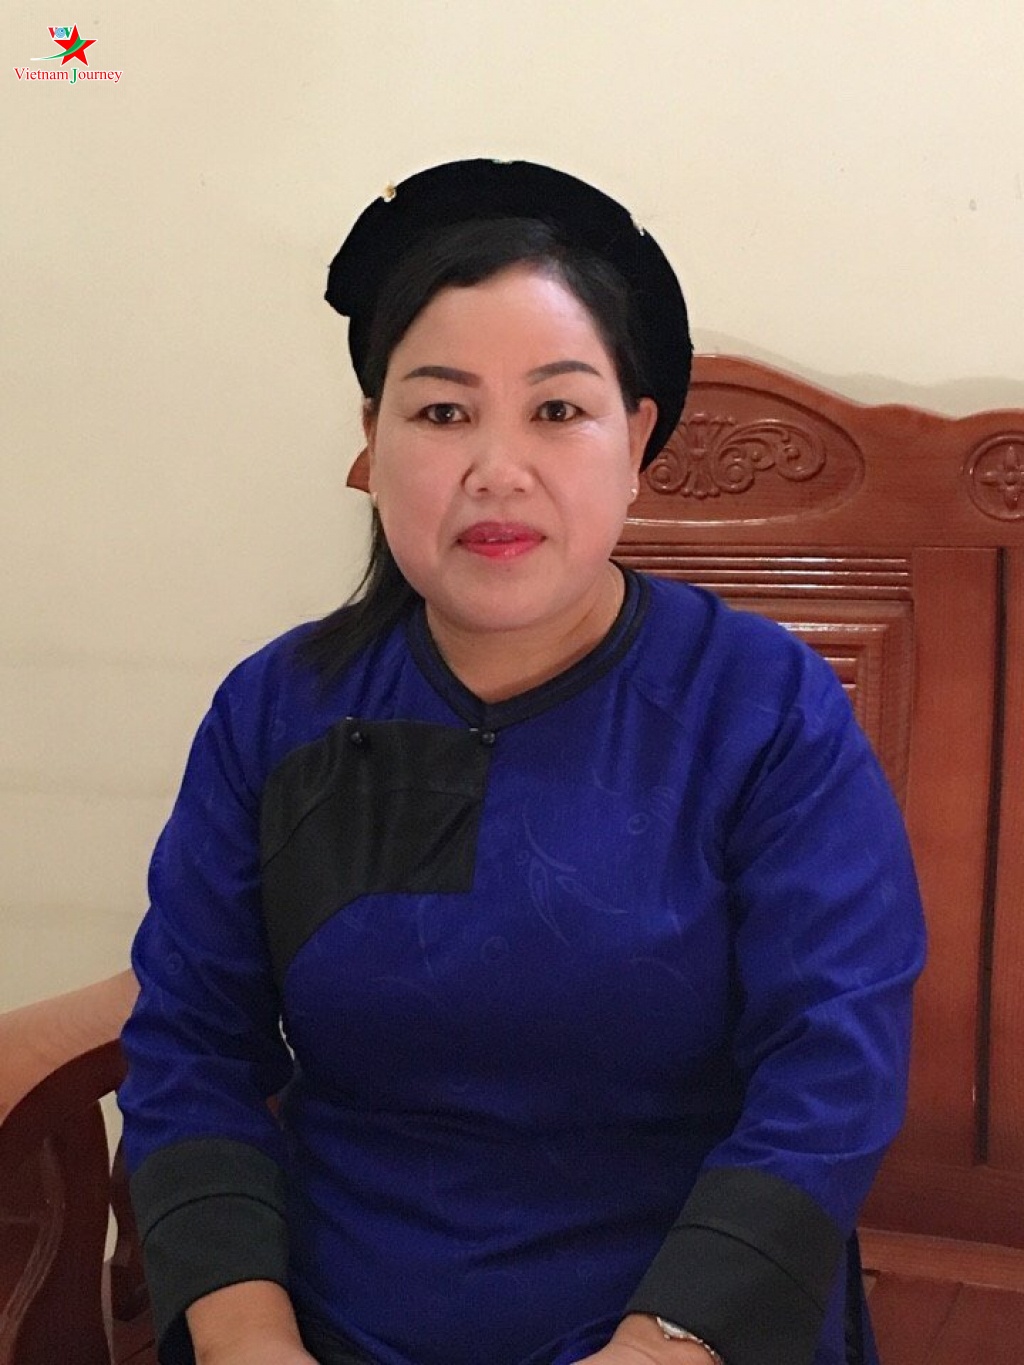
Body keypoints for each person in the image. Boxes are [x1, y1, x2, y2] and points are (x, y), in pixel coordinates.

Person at [117, 159, 927, 1365]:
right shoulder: (277, 711)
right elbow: (191, 1045)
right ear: (372, 441)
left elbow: (832, 1069)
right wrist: (248, 1342)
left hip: (682, 1315)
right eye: (442, 413)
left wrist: (661, 1346)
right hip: (329, 1318)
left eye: (557, 411)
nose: (497, 469)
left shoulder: (762, 708)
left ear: (635, 439)